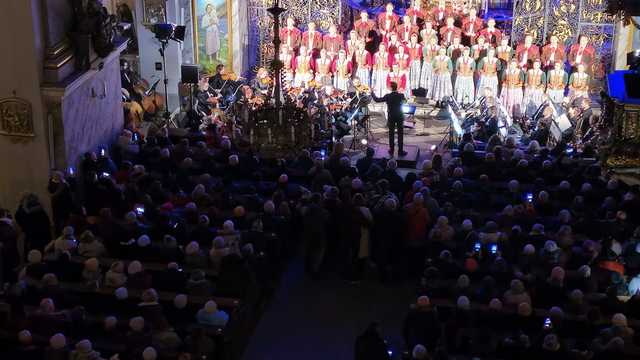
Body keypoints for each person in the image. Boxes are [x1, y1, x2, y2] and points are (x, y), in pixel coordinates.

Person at [372, 81, 407, 156]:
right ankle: (400, 151)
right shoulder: (401, 95)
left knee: (391, 133)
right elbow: (405, 101)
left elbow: (377, 100)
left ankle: (391, 150)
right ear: (396, 87)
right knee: (400, 134)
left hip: (391, 116)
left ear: (391, 88)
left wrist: (372, 92)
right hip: (399, 116)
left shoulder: (388, 96)